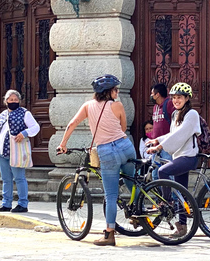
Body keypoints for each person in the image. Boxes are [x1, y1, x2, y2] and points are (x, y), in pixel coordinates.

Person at [56, 74, 135, 247]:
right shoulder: (118, 106)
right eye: (115, 89)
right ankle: (137, 212)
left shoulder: (87, 106)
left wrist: (63, 144)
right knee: (132, 181)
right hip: (126, 146)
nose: (117, 91)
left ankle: (109, 235)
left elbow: (72, 124)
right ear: (108, 92)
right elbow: (122, 128)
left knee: (111, 195)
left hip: (106, 151)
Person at [145, 82, 201, 238]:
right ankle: (182, 227)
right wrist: (157, 140)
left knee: (163, 171)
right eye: (174, 98)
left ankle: (167, 202)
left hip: (188, 157)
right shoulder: (176, 114)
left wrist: (160, 147)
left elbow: (181, 135)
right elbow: (172, 134)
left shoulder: (192, 114)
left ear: (187, 98)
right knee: (182, 193)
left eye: (179, 98)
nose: (176, 101)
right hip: (179, 156)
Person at [0, 90, 40, 213]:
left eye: (16, 100)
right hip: (2, 151)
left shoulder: (25, 113)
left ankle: (23, 204)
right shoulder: (2, 116)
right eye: (11, 100)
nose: (13, 102)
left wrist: (24, 133)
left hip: (17, 151)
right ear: (6, 101)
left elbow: (35, 127)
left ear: (19, 101)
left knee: (19, 177)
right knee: (6, 179)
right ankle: (6, 203)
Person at [148, 84, 173, 179]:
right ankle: (162, 194)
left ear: (157, 94)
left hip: (167, 145)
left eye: (152, 93)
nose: (151, 96)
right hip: (156, 145)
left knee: (168, 174)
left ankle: (172, 194)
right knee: (155, 175)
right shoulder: (155, 107)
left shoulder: (169, 104)